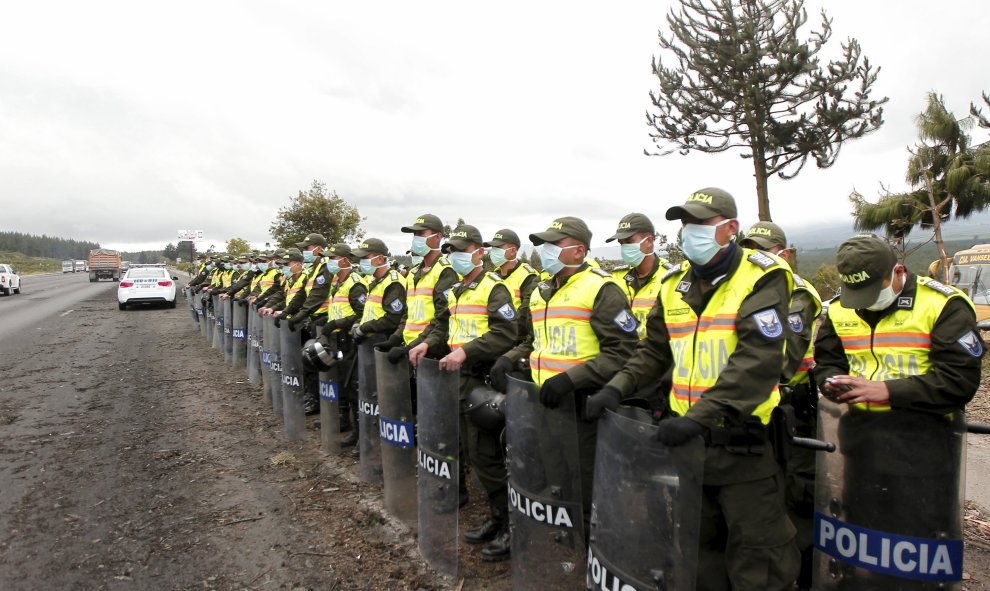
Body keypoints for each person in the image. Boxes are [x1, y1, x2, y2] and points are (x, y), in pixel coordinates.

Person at [593, 188, 799, 590]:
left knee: (759, 562)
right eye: (685, 224)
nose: (689, 233)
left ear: (730, 229)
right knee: (697, 554)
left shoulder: (763, 277)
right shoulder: (674, 285)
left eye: (701, 224)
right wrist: (615, 389)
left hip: (743, 450)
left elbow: (756, 362)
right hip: (688, 450)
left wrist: (698, 417)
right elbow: (652, 350)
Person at [813, 234, 982, 589]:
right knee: (864, 540)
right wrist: (831, 381)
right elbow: (827, 360)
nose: (865, 304)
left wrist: (886, 389)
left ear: (898, 272)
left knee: (914, 550)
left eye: (873, 292)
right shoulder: (841, 307)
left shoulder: (942, 305)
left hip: (923, 448)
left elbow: (959, 381)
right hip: (860, 444)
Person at [495, 216, 638, 527]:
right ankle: (569, 540)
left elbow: (623, 350)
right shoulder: (542, 291)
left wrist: (571, 379)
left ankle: (593, 552)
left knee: (587, 484)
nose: (545, 250)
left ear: (578, 251)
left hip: (582, 406)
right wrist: (510, 357)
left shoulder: (601, 288)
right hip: (546, 402)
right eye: (544, 245)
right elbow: (535, 341)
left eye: (553, 245)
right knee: (558, 478)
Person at [408, 224, 518, 561]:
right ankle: (496, 516)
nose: (455, 255)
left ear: (478, 252)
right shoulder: (456, 290)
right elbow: (444, 325)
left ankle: (510, 525)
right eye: (451, 250)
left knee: (486, 456)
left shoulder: (494, 289)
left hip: (479, 381)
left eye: (461, 249)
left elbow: (507, 333)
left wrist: (467, 351)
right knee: (470, 453)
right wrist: (427, 342)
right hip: (456, 381)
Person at [739, 221, 821, 589]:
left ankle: (799, 574)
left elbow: (784, 357)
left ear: (783, 254)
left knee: (794, 495)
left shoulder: (798, 294)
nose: (754, 255)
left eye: (762, 249)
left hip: (792, 409)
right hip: (757, 408)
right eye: (749, 248)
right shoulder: (747, 287)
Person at [605, 212, 673, 410]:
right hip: (619, 368)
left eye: (628, 241)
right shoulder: (616, 278)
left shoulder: (669, 279)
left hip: (654, 373)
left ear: (649, 241)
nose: (624, 248)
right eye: (621, 243)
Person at [380, 214, 458, 361]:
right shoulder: (414, 272)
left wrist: (412, 347)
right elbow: (408, 313)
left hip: (431, 350)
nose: (416, 238)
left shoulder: (445, 271)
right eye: (415, 234)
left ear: (437, 237)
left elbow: (443, 318)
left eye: (421, 234)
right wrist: (395, 338)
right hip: (410, 347)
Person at [321, 243, 368, 446]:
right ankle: (350, 426)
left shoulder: (355, 283)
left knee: (353, 387)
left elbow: (361, 314)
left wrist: (337, 324)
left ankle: (361, 435)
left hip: (350, 340)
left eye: (333, 258)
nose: (329, 262)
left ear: (345, 260)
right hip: (337, 340)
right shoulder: (337, 282)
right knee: (343, 384)